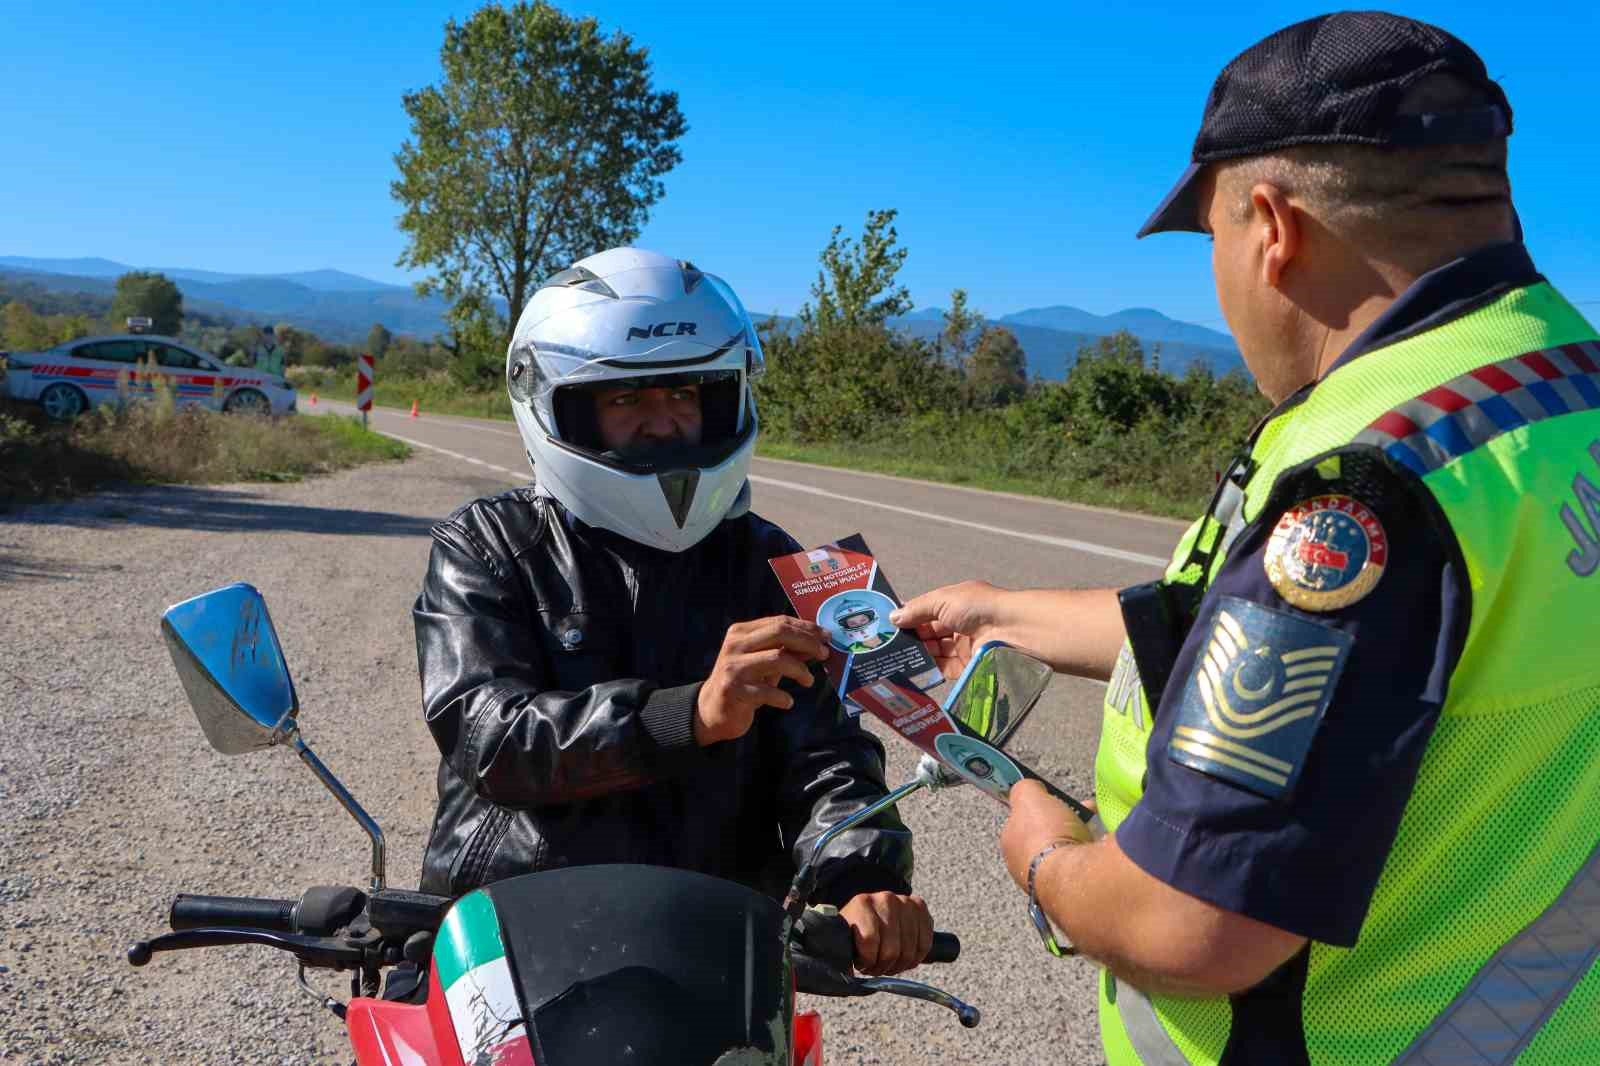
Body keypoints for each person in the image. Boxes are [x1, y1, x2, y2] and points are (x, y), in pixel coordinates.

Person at [894, 12, 1600, 1063]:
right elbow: (1376, 660)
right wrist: (1003, 612)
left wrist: (1047, 857)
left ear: (1272, 227)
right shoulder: (1553, 399)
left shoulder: (1370, 482)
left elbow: (1190, 923)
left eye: (1214, 238)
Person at [414, 247, 933, 979]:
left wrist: (863, 880)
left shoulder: (771, 564)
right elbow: (488, 737)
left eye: (685, 394)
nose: (663, 424)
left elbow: (826, 755)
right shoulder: (490, 545)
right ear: (557, 405)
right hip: (511, 924)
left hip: (713, 938)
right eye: (626, 400)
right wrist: (685, 716)